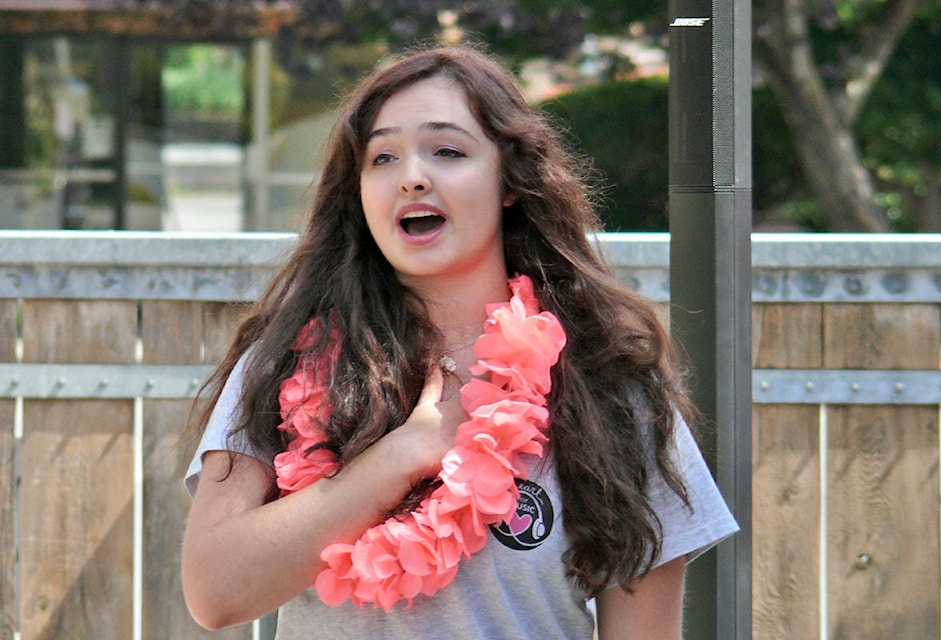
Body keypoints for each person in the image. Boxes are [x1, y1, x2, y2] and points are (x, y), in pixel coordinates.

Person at [181, 44, 738, 639]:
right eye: (383, 157)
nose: (413, 176)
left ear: (510, 181)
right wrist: (401, 456)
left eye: (448, 151)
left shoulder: (610, 379)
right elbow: (215, 592)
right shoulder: (285, 361)